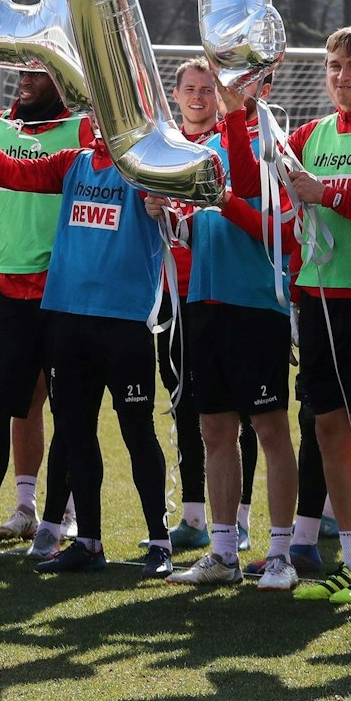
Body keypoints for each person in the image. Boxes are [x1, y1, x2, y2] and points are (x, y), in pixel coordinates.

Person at [0, 93, 182, 578]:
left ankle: (160, 543)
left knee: (138, 434)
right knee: (77, 434)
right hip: (67, 320)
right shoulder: (71, 162)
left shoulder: (144, 170)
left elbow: (176, 219)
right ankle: (88, 541)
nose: (97, 122)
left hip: (123, 322)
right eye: (93, 113)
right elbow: (9, 172)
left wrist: (162, 209)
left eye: (106, 113)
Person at [230, 26, 351, 605]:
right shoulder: (309, 134)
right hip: (315, 298)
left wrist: (330, 196)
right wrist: (236, 111)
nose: (342, 75)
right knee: (327, 427)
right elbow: (250, 185)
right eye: (334, 64)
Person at [0, 69, 93, 561]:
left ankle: (55, 522)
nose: (24, 80)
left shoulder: (83, 129)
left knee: (69, 409)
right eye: (21, 71)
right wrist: (0, 250)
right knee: (0, 407)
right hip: (8, 287)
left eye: (36, 72)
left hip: (64, 288)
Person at [164, 66, 301, 590]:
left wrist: (225, 203)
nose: (216, 96)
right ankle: (222, 553)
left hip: (256, 306)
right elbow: (202, 231)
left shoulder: (272, 146)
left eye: (223, 86)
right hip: (203, 303)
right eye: (206, 88)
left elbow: (284, 235)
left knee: (269, 429)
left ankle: (282, 554)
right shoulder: (197, 152)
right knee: (214, 429)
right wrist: (169, 216)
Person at [158, 60, 223, 553]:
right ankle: (195, 516)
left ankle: (236, 518)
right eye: (190, 89)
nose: (198, 97)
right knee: (183, 402)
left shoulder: (229, 146)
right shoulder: (162, 148)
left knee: (227, 407)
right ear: (175, 95)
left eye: (207, 89)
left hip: (219, 293)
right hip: (169, 295)